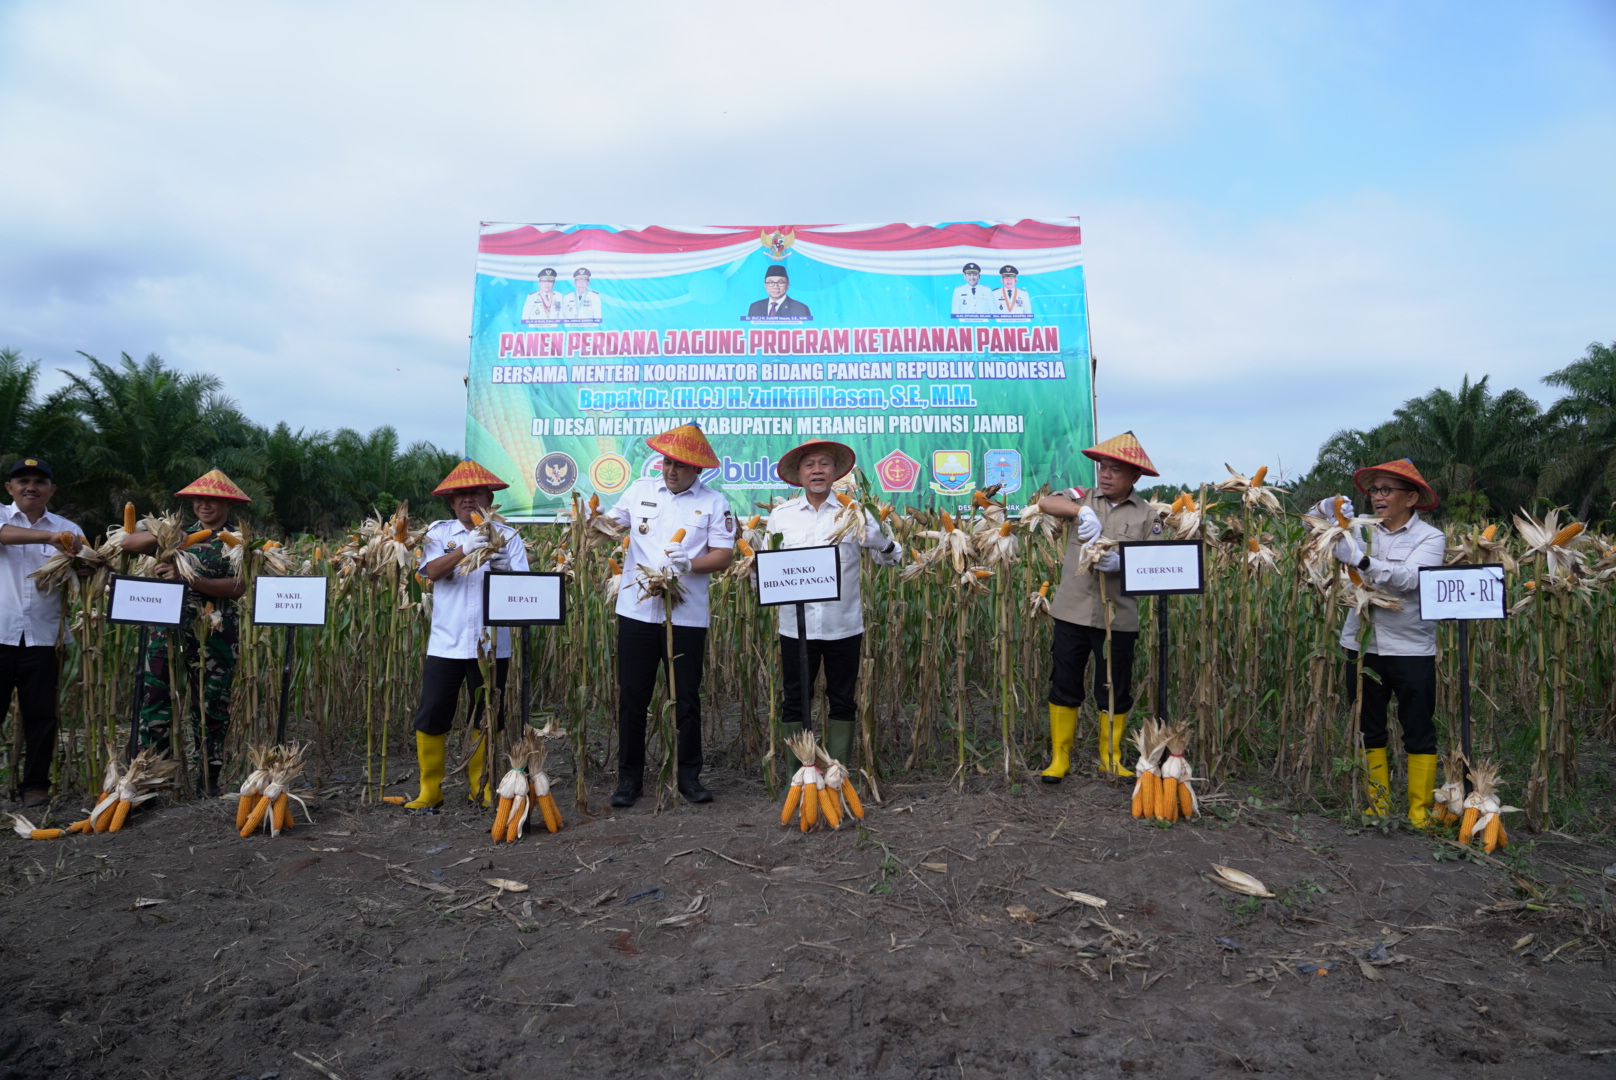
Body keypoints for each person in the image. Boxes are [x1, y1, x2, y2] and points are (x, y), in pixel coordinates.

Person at [604, 424, 735, 806]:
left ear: (697, 469)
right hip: (637, 612)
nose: (671, 469)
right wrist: (595, 523)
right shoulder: (640, 491)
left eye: (680, 465)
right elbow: (612, 525)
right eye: (667, 462)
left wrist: (690, 564)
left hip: (686, 617)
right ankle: (629, 781)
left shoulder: (714, 502)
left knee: (686, 699)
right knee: (632, 698)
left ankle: (689, 777)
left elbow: (724, 555)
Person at [1315, 458, 1446, 825]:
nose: (1377, 497)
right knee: (1367, 725)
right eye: (1373, 490)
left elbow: (1409, 579)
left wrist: (1362, 560)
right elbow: (1320, 524)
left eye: (1387, 490)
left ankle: (1419, 812)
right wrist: (1331, 510)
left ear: (1412, 497)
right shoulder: (1362, 530)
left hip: (1411, 648)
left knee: (1418, 727)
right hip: (1361, 644)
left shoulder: (1431, 538)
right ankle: (1378, 804)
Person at [401, 459, 529, 812]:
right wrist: (465, 550)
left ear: (490, 497)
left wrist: (503, 567)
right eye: (460, 495)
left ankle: (482, 786)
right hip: (446, 643)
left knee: (487, 715)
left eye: (475, 492)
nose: (468, 500)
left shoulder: (509, 537)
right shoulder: (439, 534)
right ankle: (431, 790)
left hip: (492, 646)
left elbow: (526, 591)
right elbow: (430, 573)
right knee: (431, 714)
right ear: (451, 502)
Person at [765, 440, 902, 770]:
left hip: (844, 624)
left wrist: (880, 541)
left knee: (842, 701)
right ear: (798, 474)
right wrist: (758, 576)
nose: (817, 470)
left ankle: (837, 775)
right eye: (809, 464)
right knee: (795, 701)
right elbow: (765, 570)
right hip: (795, 628)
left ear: (835, 472)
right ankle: (799, 778)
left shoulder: (857, 513)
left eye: (823, 464)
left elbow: (893, 559)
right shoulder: (781, 517)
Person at [1035, 432, 1162, 781]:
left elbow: (1156, 564)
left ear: (1134, 476)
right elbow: (1046, 504)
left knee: (1114, 688)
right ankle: (1060, 758)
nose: (1105, 475)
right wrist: (1081, 511)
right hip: (1071, 613)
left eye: (1115, 470)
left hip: (1117, 619)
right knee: (1064, 683)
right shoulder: (1082, 497)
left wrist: (1123, 563)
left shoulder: (1148, 516)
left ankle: (1111, 756)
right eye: (1102, 468)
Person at [120, 468, 249, 796]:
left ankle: (208, 779)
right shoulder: (177, 532)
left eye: (213, 500)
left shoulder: (238, 541)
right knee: (155, 701)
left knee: (210, 707)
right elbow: (127, 542)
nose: (204, 505)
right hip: (165, 632)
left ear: (227, 504)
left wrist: (189, 579)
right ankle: (151, 779)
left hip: (215, 637)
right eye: (199, 498)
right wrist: (163, 537)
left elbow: (237, 587)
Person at [0, 458, 84, 806]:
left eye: (39, 481)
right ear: (10, 488)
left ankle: (35, 786)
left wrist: (85, 558)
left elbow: (86, 568)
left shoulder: (69, 527)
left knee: (42, 717)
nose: (30, 486)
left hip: (44, 638)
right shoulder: (5, 518)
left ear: (52, 489)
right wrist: (51, 538)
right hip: (1, 635)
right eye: (22, 481)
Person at [746, 264, 811, 320]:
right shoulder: (755, 307)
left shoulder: (800, 308)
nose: (776, 287)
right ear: (765, 285)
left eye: (781, 282)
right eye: (771, 282)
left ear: (787, 285)